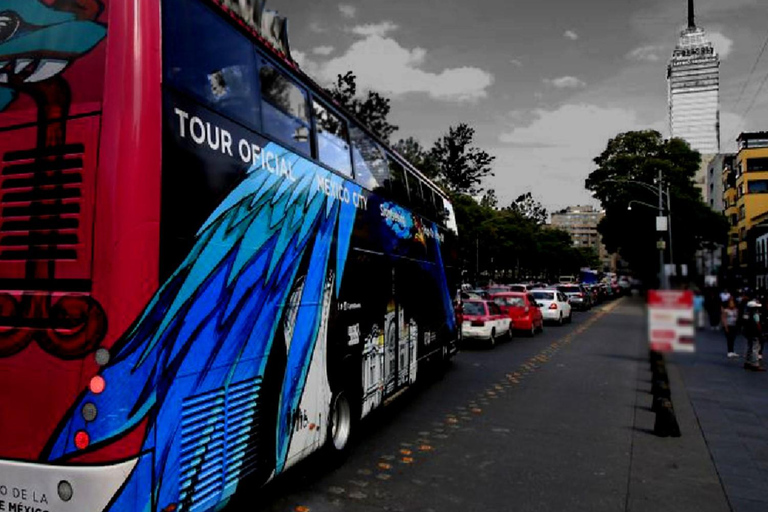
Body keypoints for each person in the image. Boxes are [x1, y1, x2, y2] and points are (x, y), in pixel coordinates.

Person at [742, 299, 766, 371]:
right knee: (756, 348)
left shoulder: (746, 313)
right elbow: (757, 323)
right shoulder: (755, 313)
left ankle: (747, 362)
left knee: (749, 347)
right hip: (755, 332)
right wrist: (760, 332)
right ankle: (755, 364)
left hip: (747, 332)